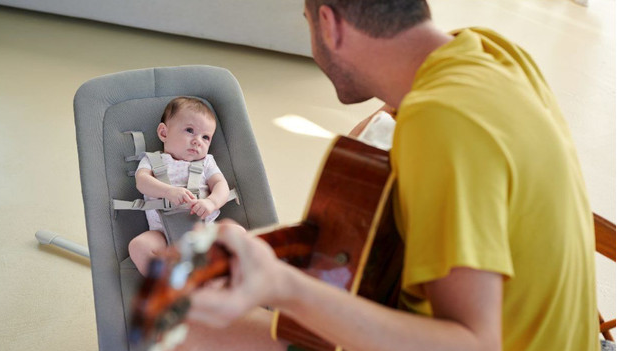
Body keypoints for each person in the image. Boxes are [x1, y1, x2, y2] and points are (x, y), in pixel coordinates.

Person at [175, 1, 600, 350]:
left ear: (329, 23)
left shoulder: (440, 122)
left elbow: (476, 344)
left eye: (308, 23)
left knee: (185, 327)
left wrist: (286, 288)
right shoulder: (489, 51)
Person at [128, 97, 231, 276]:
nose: (198, 140)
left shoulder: (206, 162)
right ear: (164, 133)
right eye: (190, 130)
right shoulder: (152, 160)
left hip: (203, 232)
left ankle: (220, 277)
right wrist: (168, 191)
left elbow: (221, 185)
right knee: (138, 246)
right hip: (164, 236)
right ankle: (166, 285)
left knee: (234, 231)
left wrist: (212, 202)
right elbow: (142, 181)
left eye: (205, 137)